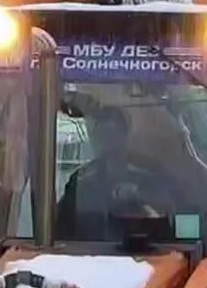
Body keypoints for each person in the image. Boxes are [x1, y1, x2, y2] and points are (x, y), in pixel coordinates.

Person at [56, 104, 181, 242]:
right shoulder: (80, 182)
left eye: (112, 134)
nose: (107, 142)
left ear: (125, 136)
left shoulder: (152, 178)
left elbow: (170, 227)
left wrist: (139, 197)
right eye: (101, 135)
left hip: (144, 258)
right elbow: (60, 234)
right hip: (88, 259)